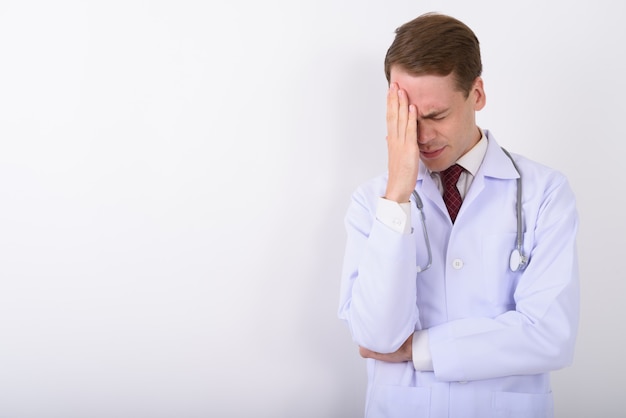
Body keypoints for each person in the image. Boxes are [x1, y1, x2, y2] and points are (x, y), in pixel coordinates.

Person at [338, 12, 579, 418]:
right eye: (408, 119)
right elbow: (378, 336)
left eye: (435, 116)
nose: (422, 136)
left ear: (477, 94)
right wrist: (397, 194)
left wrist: (419, 349)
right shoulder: (372, 203)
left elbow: (550, 334)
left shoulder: (544, 193)